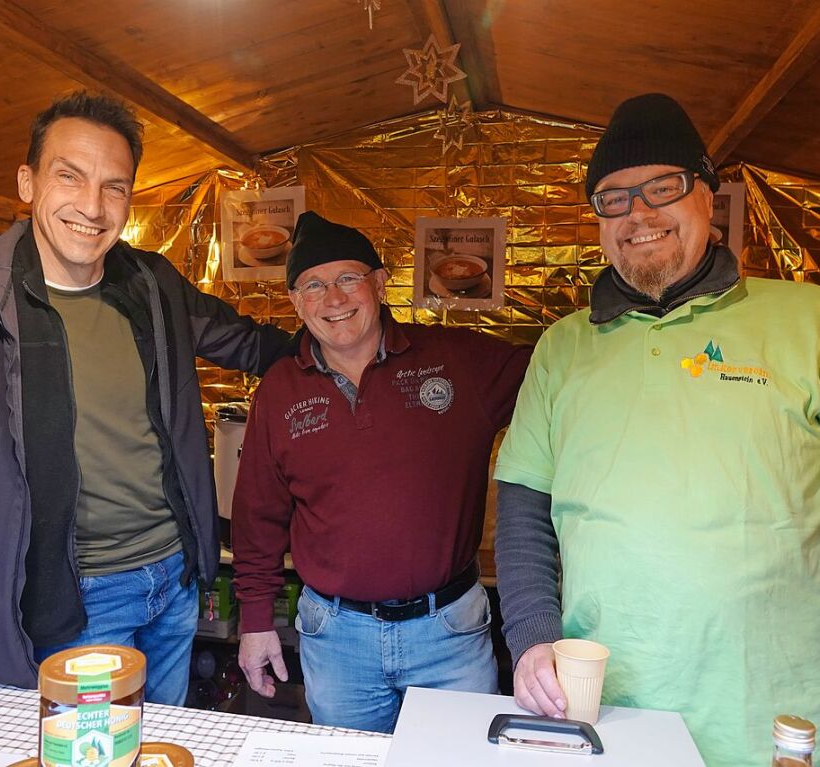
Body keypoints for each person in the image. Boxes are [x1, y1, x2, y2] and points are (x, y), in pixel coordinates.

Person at [0, 91, 291, 702]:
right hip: (71, 604)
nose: (92, 207)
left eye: (115, 187)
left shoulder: (152, 284)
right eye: (69, 177)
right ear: (27, 182)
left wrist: (354, 337)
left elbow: (251, 344)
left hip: (175, 584)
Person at [494, 92, 820, 767]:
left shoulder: (804, 320)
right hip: (604, 707)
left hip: (769, 709)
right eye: (613, 198)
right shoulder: (562, 346)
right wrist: (530, 636)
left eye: (661, 187)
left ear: (706, 194)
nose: (637, 213)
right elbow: (524, 506)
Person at [231, 211, 532, 732]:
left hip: (449, 633)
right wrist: (256, 621)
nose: (334, 299)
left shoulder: (458, 361)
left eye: (348, 279)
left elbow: (562, 372)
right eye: (314, 286)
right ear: (296, 302)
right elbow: (257, 516)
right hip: (337, 638)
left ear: (379, 282)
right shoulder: (279, 391)